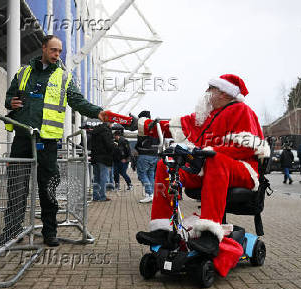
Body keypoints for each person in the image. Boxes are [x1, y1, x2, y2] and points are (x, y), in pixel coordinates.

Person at [130, 74, 270, 255]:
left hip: (243, 170)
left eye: (211, 89)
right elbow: (175, 126)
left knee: (215, 158)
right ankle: (162, 229)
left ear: (224, 94)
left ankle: (209, 233)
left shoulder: (242, 111)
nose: (206, 92)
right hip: (208, 166)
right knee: (166, 165)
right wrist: (143, 125)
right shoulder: (206, 116)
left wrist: (206, 152)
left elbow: (246, 147)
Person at [0, 35, 110, 247]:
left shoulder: (64, 77)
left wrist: (98, 112)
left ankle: (50, 232)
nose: (57, 54)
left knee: (48, 188)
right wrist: (9, 102)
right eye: (53, 50)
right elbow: (9, 97)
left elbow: (78, 101)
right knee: (16, 187)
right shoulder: (23, 72)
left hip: (48, 141)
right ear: (43, 48)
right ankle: (11, 232)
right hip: (22, 138)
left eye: (59, 51)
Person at [135, 111, 160, 203]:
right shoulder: (156, 127)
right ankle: (152, 194)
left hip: (144, 154)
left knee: (142, 174)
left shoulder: (143, 128)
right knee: (151, 175)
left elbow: (140, 142)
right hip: (154, 155)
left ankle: (149, 194)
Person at [90, 123, 114, 201]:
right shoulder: (106, 131)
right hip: (104, 157)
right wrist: (114, 145)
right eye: (112, 123)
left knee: (96, 177)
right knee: (104, 177)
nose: (112, 125)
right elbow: (109, 145)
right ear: (108, 123)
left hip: (95, 157)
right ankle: (102, 196)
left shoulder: (95, 131)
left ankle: (95, 196)